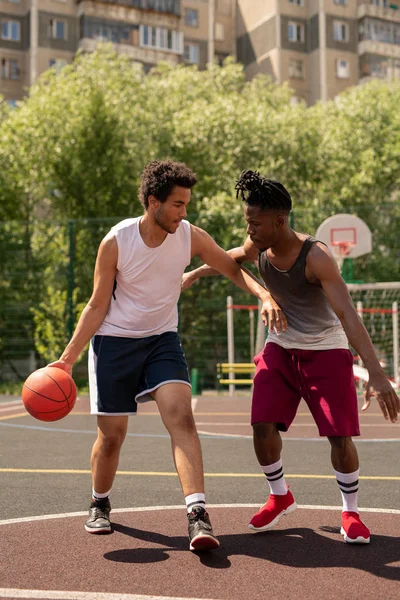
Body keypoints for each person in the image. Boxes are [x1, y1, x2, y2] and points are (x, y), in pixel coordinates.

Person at [49, 160, 278, 552]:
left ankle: (197, 515)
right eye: (177, 204)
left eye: (186, 204)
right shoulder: (117, 242)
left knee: (181, 417)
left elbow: (230, 267)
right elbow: (96, 304)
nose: (183, 212)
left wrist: (265, 295)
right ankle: (99, 501)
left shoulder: (189, 236)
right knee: (112, 437)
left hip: (161, 340)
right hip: (114, 343)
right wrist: (67, 359)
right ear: (153, 202)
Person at [182, 169, 400, 545]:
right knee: (261, 425)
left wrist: (377, 375)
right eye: (247, 221)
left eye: (255, 222)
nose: (249, 229)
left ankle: (350, 512)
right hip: (281, 347)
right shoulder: (259, 246)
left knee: (340, 438)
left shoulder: (317, 257)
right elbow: (233, 258)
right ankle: (280, 495)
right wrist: (198, 272)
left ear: (280, 221)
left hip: (326, 349)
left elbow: (348, 315)